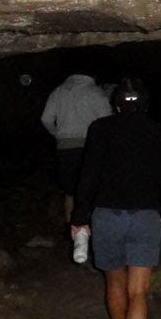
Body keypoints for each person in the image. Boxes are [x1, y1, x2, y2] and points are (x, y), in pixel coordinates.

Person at [71, 77, 161, 319]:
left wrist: (80, 218)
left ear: (115, 104)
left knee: (115, 282)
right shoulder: (156, 131)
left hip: (107, 217)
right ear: (145, 104)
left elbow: (88, 176)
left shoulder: (100, 130)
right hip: (145, 217)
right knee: (138, 291)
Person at [40, 72, 112, 225]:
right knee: (92, 189)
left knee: (70, 192)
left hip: (65, 148)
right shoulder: (96, 92)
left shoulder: (58, 91)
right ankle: (94, 230)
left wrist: (58, 134)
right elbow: (107, 122)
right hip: (91, 148)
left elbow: (45, 119)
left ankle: (72, 230)